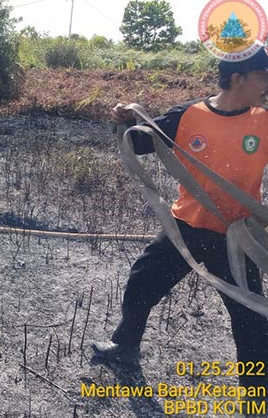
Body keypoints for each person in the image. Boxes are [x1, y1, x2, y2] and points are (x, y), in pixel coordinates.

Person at [92, 48, 268, 393]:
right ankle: (125, 347)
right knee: (142, 282)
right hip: (185, 225)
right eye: (264, 76)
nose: (267, 85)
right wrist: (124, 119)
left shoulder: (264, 120)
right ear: (238, 78)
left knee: (250, 315)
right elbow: (142, 142)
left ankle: (256, 385)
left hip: (236, 235)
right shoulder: (189, 114)